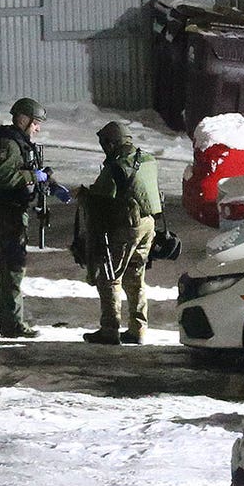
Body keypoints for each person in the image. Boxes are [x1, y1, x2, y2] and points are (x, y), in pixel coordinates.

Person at [0, 97, 69, 339]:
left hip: (14, 208)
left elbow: (25, 172)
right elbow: (2, 178)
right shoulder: (7, 143)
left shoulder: (19, 142)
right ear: (23, 119)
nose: (38, 128)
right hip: (7, 210)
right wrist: (34, 176)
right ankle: (11, 323)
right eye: (36, 123)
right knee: (13, 265)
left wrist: (49, 183)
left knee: (13, 263)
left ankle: (10, 319)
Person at [82, 121, 162, 345]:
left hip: (128, 225)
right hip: (149, 224)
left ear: (111, 143)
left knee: (109, 276)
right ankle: (138, 329)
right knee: (136, 277)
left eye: (104, 144)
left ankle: (110, 329)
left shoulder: (117, 164)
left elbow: (101, 195)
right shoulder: (148, 159)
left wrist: (84, 195)